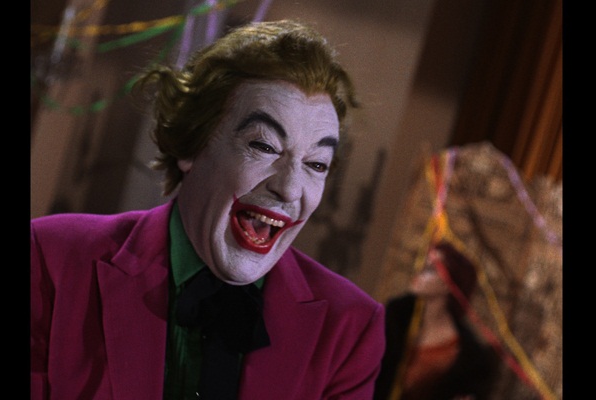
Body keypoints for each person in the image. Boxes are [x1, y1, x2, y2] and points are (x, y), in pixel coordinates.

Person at [30, 20, 386, 400]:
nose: (288, 188)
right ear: (192, 144)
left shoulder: (349, 328)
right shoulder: (51, 258)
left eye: (316, 164)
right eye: (264, 146)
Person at [374, 240, 499, 400]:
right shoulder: (396, 316)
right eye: (424, 266)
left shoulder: (467, 356)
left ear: (449, 285)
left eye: (430, 270)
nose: (419, 273)